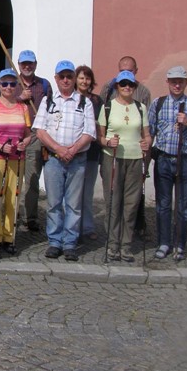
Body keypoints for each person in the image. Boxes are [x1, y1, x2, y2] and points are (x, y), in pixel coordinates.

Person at [33, 60, 96, 262]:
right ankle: (54, 242)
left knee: (74, 205)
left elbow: (89, 132)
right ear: (56, 78)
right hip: (53, 159)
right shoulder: (48, 101)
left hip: (77, 159)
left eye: (69, 76)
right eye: (62, 76)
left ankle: (70, 243)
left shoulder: (84, 102)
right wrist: (59, 149)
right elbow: (40, 130)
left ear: (74, 78)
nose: (66, 80)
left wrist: (72, 150)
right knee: (53, 203)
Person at [148, 66, 187, 262]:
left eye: (180, 81)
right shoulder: (158, 104)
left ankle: (180, 245)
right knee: (163, 205)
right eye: (173, 81)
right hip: (163, 160)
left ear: (186, 83)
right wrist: (145, 160)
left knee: (183, 207)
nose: (177, 85)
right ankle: (164, 243)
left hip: (185, 161)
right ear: (168, 82)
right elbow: (150, 133)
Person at [97, 70, 152, 262]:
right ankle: (113, 244)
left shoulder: (141, 108)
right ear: (117, 86)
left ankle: (126, 245)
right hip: (112, 158)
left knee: (131, 203)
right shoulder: (107, 107)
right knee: (113, 202)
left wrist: (147, 143)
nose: (127, 87)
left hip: (135, 158)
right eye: (123, 84)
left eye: (130, 84)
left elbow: (147, 135)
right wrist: (107, 142)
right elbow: (100, 136)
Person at [0, 68, 32, 256]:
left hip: (17, 159)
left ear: (17, 86)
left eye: (12, 83)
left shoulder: (23, 107)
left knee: (12, 198)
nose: (8, 87)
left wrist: (25, 143)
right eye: (4, 83)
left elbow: (28, 134)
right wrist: (1, 147)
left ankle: (9, 237)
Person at [15, 49, 52, 232]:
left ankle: (30, 217)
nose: (27, 66)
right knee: (12, 179)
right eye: (24, 63)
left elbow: (52, 109)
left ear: (35, 64)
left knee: (32, 178)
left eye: (30, 63)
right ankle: (11, 215)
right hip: (14, 134)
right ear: (19, 64)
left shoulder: (44, 85)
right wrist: (19, 98)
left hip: (35, 134)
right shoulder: (12, 83)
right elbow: (2, 104)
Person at [75, 64, 102, 241]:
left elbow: (101, 124)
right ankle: (73, 227)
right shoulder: (70, 98)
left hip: (91, 151)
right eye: (81, 78)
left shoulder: (97, 101)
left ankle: (87, 226)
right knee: (73, 193)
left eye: (87, 78)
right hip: (74, 151)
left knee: (87, 192)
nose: (84, 81)